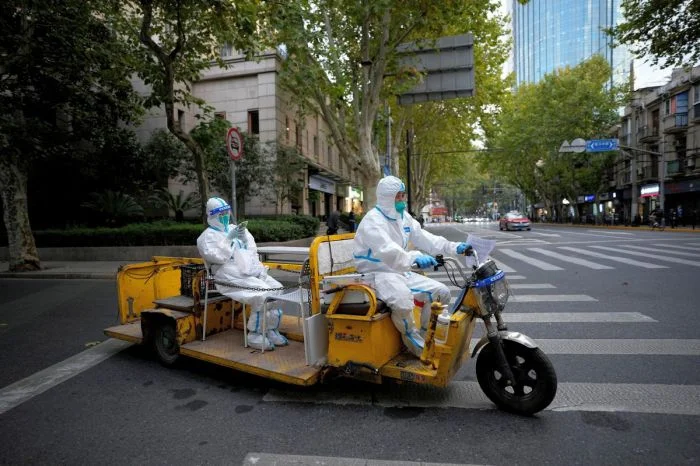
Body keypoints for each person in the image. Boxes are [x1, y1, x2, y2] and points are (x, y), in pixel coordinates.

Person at [352, 176, 469, 358]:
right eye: (398, 196)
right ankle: (416, 345)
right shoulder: (372, 221)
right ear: (387, 197)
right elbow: (388, 251)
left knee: (441, 292)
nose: (402, 200)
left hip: (399, 271)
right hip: (376, 274)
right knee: (403, 302)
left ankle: (427, 337)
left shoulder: (403, 217)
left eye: (403, 195)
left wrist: (453, 247)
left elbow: (426, 238)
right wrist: (415, 257)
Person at [196, 197, 288, 351]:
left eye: (226, 212)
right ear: (212, 215)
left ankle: (270, 329)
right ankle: (255, 335)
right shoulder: (206, 237)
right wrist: (228, 240)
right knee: (263, 294)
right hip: (227, 274)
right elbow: (218, 258)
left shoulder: (234, 228)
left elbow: (252, 250)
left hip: (248, 269)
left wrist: (244, 240)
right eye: (221, 213)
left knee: (277, 289)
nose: (225, 216)